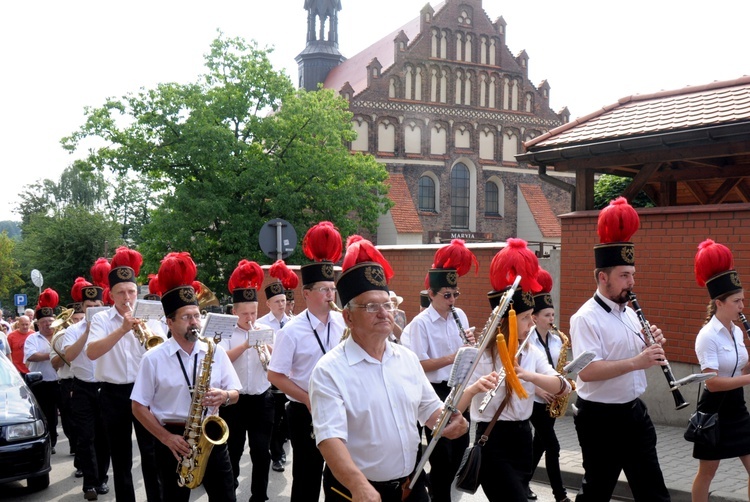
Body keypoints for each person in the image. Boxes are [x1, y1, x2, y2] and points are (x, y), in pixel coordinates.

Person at [310, 236, 470, 502]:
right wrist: (359, 485)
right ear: (348, 317)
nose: (385, 313)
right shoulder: (329, 371)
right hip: (356, 492)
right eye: (372, 306)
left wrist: (448, 421)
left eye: (388, 304)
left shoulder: (406, 359)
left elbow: (430, 410)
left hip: (411, 485)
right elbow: (329, 440)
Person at [454, 239, 572, 502]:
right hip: (492, 440)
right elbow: (455, 408)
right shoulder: (480, 356)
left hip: (522, 440)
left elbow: (563, 385)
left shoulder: (530, 351)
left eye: (532, 316)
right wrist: (475, 387)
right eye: (526, 317)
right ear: (508, 320)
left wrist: (528, 376)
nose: (532, 323)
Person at [570, 197, 670, 502]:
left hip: (634, 415)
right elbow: (587, 371)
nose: (632, 282)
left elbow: (632, 354)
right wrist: (638, 361)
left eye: (633, 274)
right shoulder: (585, 317)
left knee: (654, 493)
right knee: (597, 493)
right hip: (600, 420)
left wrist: (651, 344)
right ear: (604, 278)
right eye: (624, 275)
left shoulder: (628, 311)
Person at [132, 251, 240, 502]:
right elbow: (138, 406)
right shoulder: (153, 358)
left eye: (197, 315)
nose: (195, 323)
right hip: (172, 441)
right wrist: (165, 437)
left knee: (226, 498)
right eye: (187, 317)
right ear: (169, 322)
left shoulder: (214, 350)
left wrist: (224, 396)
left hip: (210, 437)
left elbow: (235, 392)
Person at [267, 221, 346, 502]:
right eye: (323, 290)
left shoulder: (341, 322)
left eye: (332, 288)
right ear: (306, 294)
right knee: (307, 476)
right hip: (304, 411)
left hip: (340, 406)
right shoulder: (292, 330)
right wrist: (308, 398)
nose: (330, 295)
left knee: (340, 475)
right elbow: (275, 375)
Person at [86, 246, 167, 502]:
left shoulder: (150, 314)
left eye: (131, 291)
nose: (127, 297)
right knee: (120, 458)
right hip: (113, 393)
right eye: (121, 292)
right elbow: (91, 353)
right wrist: (122, 329)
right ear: (111, 294)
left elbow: (164, 348)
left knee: (151, 453)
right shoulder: (100, 319)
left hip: (146, 392)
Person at [401, 239, 477, 502]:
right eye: (446, 295)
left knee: (458, 452)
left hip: (457, 391)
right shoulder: (420, 324)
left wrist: (470, 348)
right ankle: (438, 492)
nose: (452, 300)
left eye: (456, 294)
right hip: (434, 392)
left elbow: (464, 356)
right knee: (442, 456)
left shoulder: (461, 316)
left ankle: (434, 486)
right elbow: (419, 365)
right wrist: (451, 356)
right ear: (431, 294)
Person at [691, 239, 750, 501]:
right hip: (713, 408)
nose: (742, 307)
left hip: (736, 406)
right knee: (708, 471)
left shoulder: (736, 331)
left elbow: (739, 368)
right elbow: (713, 382)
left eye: (743, 301)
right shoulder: (707, 336)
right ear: (720, 303)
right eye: (737, 301)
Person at [219, 259, 275, 501]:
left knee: (262, 452)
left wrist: (266, 346)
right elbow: (222, 362)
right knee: (233, 451)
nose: (250, 317)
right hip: (235, 400)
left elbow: (274, 364)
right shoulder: (227, 331)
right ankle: (229, 493)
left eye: (254, 312)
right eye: (245, 313)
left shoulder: (263, 328)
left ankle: (259, 496)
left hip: (262, 398)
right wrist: (245, 344)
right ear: (234, 312)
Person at [63, 267, 111, 501]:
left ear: (103, 306)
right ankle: (89, 484)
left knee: (104, 437)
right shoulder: (72, 330)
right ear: (82, 308)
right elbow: (69, 356)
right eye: (88, 307)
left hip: (104, 386)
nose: (92, 310)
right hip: (81, 387)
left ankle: (101, 478)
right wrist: (87, 332)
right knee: (85, 436)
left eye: (97, 306)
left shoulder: (110, 329)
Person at [525, 268, 572, 502]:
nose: (552, 319)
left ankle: (522, 483)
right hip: (534, 400)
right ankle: (560, 495)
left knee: (539, 445)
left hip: (552, 400)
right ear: (534, 317)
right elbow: (521, 371)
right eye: (547, 315)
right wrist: (538, 389)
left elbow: (556, 367)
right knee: (552, 447)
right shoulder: (527, 340)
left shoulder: (557, 339)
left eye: (553, 315)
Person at [258, 260, 296, 472]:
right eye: (277, 301)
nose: (282, 304)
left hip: (290, 379)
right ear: (268, 304)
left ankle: (279, 448)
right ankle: (277, 455)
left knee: (285, 421)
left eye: (283, 300)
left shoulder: (294, 322)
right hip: (272, 379)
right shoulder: (262, 324)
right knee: (273, 421)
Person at [24, 288, 64, 453]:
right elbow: (31, 356)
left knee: (68, 416)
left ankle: (75, 446)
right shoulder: (32, 338)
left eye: (50, 321)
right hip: (42, 383)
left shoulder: (62, 335)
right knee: (47, 416)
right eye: (44, 322)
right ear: (38, 324)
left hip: (61, 381)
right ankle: (51, 443)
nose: (48, 324)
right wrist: (54, 354)